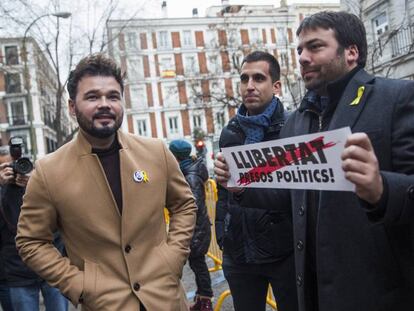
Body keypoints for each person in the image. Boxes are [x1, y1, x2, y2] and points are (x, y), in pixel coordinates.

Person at [214, 11, 414, 311]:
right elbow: (289, 195)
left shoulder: (395, 98)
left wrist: (382, 189)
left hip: (376, 291)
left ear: (351, 52)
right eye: (299, 50)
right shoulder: (297, 123)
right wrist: (241, 186)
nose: (303, 57)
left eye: (315, 47)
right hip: (311, 292)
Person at [15, 53, 196, 310]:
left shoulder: (156, 152)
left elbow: (184, 205)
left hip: (166, 299)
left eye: (113, 96)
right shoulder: (48, 171)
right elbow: (30, 241)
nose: (104, 104)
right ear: (71, 106)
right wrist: (78, 284)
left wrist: (173, 257)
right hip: (104, 304)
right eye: (92, 97)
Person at [215, 51, 298, 311]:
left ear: (276, 86)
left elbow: (300, 192)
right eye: (244, 78)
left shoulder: (293, 127)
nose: (249, 86)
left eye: (258, 78)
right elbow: (223, 192)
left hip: (284, 253)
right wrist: (222, 235)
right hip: (239, 254)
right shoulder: (230, 132)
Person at [0, 145, 68, 311]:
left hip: (52, 266)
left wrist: (37, 184)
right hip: (17, 272)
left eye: (20, 165)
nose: (16, 171)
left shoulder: (42, 182)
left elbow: (65, 213)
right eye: (9, 168)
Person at [169, 139, 213, 311]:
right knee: (197, 265)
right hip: (196, 229)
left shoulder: (190, 176)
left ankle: (206, 302)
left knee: (199, 265)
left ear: (175, 156)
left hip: (196, 230)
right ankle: (202, 299)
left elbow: (192, 206)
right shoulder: (188, 171)